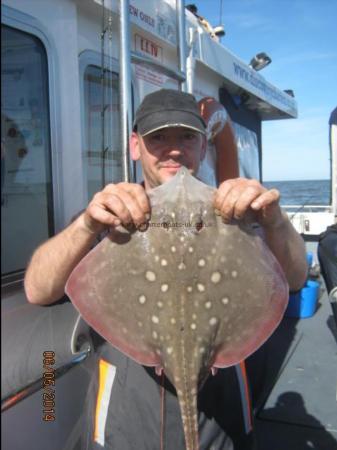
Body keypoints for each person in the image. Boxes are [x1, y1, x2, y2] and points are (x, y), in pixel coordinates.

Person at [24, 89, 307, 450]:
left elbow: (296, 277)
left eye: (187, 137)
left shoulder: (237, 214)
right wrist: (85, 226)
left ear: (204, 146)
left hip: (219, 421)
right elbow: (37, 289)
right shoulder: (110, 216)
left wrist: (276, 222)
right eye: (158, 137)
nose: (174, 150)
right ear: (135, 145)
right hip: (126, 420)